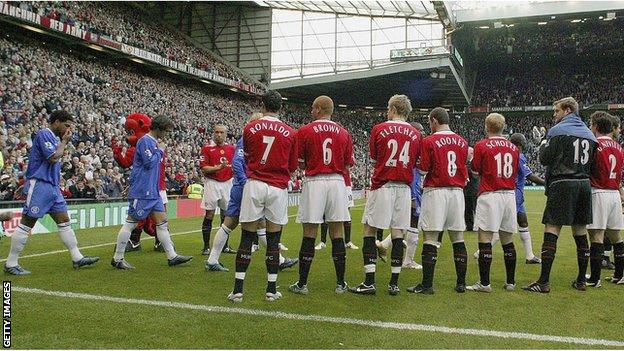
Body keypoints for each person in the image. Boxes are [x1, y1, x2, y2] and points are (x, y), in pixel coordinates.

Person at [4, 110, 99, 275]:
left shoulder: (53, 138)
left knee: (64, 221)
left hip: (53, 187)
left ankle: (77, 257)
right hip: (41, 186)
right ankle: (11, 263)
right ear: (56, 122)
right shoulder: (44, 134)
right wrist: (64, 142)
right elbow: (53, 158)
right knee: (27, 223)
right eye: (66, 125)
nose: (69, 129)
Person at [228, 90, 298, 303]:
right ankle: (271, 289)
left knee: (247, 237)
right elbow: (293, 165)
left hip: (255, 184)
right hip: (277, 187)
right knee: (274, 240)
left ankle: (238, 290)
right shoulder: (290, 132)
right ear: (280, 107)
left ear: (262, 104)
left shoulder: (250, 127)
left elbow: (248, 156)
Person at [206, 112, 298, 272]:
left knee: (239, 223)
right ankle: (278, 261)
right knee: (237, 223)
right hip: (245, 187)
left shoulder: (252, 138)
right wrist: (246, 184)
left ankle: (212, 260)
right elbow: (236, 163)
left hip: (246, 186)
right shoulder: (245, 139)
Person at [523, 97, 598, 293]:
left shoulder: (557, 131)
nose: (554, 115)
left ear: (567, 110)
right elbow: (594, 165)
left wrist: (542, 143)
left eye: (556, 111)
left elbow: (545, 158)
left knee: (552, 228)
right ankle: (581, 280)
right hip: (583, 184)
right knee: (580, 232)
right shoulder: (590, 135)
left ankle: (544, 281)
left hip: (562, 183)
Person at [349, 95, 421, 296]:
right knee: (398, 233)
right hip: (405, 188)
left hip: (383, 185)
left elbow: (373, 160)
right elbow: (417, 164)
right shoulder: (416, 134)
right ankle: (394, 283)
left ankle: (370, 281)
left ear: (393, 109)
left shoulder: (379, 129)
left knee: (369, 230)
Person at [288, 95, 354, 295]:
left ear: (318, 109)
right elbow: (348, 163)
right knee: (337, 232)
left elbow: (299, 163)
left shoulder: (305, 131)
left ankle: (302, 284)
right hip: (336, 181)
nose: (310, 111)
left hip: (315, 181)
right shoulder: (344, 133)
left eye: (312, 108)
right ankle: (341, 283)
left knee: (309, 232)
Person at [111, 115, 193, 269]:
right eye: (166, 131)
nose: (167, 135)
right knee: (131, 224)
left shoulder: (153, 142)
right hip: (143, 191)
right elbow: (149, 163)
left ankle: (172, 256)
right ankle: (117, 258)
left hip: (153, 192)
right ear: (159, 128)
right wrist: (160, 151)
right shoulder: (145, 141)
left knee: (162, 224)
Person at [407, 107, 469, 294]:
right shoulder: (462, 141)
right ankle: (461, 284)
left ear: (434, 120)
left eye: (429, 121)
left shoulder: (429, 141)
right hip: (457, 193)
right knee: (458, 238)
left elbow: (423, 170)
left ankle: (427, 285)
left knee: (431, 238)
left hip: (436, 191)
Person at [466, 113, 520, 293]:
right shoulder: (513, 147)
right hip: (509, 195)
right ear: (503, 127)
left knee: (485, 238)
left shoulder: (482, 145)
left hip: (490, 194)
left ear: (486, 126)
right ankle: (511, 282)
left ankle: (485, 283)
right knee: (507, 240)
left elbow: (475, 169)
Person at [376, 122, 426, 270]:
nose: (422, 133)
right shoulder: (413, 149)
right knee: (413, 226)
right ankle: (408, 261)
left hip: (411, 190)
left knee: (405, 226)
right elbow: (412, 175)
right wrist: (413, 197)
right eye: (420, 130)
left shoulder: (413, 148)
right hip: (411, 193)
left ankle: (384, 244)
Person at [586, 112, 624, 286]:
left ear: (595, 126)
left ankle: (595, 279)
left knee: (597, 235)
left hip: (599, 191)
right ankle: (620, 275)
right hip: (614, 193)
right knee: (617, 236)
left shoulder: (594, 145)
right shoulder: (618, 146)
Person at [199, 124, 236, 255]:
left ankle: (225, 246)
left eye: (221, 132)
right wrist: (219, 168)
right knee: (209, 214)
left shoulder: (232, 149)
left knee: (226, 215)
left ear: (226, 134)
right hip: (212, 183)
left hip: (227, 184)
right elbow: (204, 168)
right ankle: (206, 247)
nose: (218, 135)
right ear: (213, 133)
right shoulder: (207, 149)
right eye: (216, 132)